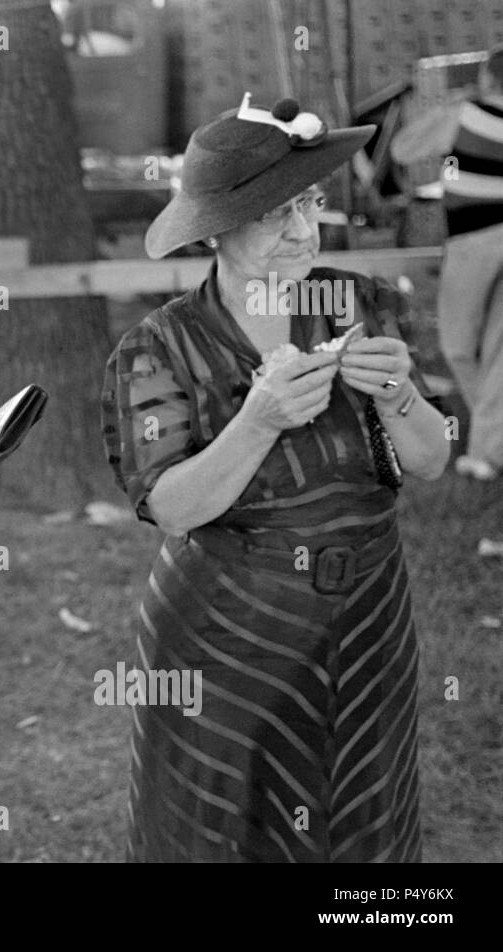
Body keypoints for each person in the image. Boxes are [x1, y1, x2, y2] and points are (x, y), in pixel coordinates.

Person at [102, 96, 450, 862]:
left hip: (367, 618)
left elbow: (430, 459)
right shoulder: (157, 348)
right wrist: (256, 420)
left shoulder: (366, 305)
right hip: (229, 630)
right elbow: (172, 507)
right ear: (216, 228)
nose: (301, 232)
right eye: (274, 214)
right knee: (225, 823)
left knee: (363, 817)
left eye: (310, 205)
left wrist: (399, 394)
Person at [434, 44, 503, 480]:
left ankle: (490, 441)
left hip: (475, 239)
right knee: (498, 349)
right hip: (485, 237)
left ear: (487, 77)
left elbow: (402, 150)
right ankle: (488, 447)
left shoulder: (470, 111)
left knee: (458, 345)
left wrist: (450, 109)